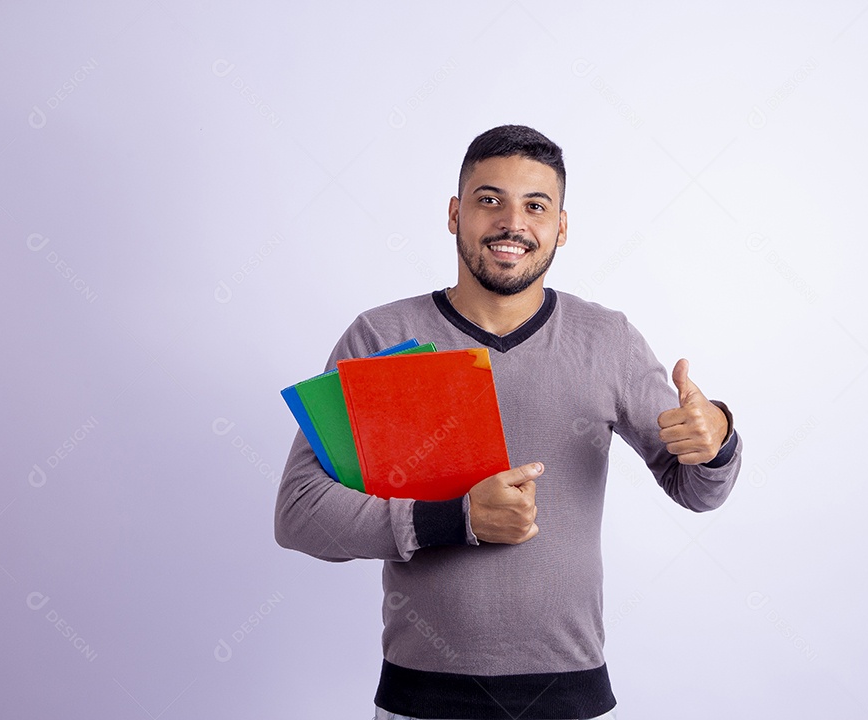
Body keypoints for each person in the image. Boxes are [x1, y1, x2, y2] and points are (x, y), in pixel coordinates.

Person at [275, 125, 742, 720]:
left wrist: (716, 438)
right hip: (420, 698)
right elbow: (300, 514)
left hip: (569, 696)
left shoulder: (608, 340)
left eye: (535, 206)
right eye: (490, 199)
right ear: (455, 214)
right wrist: (456, 519)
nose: (511, 223)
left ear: (561, 227)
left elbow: (699, 490)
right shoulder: (381, 336)